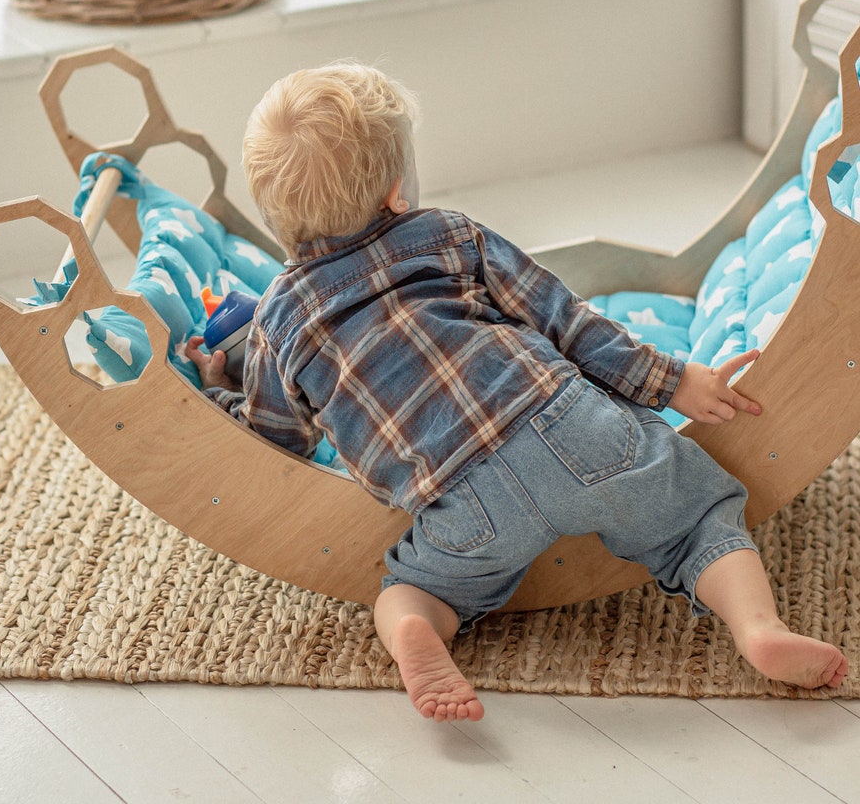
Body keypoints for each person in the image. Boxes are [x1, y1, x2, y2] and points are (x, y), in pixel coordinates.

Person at [187, 62, 849, 722]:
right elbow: (566, 321)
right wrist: (673, 382)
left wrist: (217, 387)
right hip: (573, 428)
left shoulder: (276, 318)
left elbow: (278, 439)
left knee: (409, 589)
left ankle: (419, 626)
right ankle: (756, 628)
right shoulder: (446, 234)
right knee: (699, 515)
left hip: (460, 500)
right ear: (396, 193)